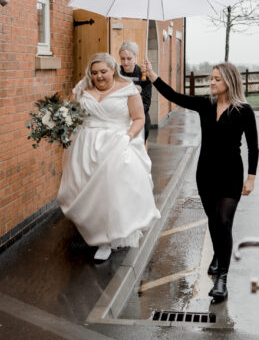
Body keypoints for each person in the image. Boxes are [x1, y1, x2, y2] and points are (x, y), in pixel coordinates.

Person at [142, 60, 258, 303]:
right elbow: (174, 95)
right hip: (205, 173)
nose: (211, 83)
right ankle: (219, 253)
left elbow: (253, 146)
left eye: (216, 79)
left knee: (224, 223)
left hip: (231, 175)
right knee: (214, 221)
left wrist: (251, 177)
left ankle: (221, 280)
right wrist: (153, 75)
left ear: (229, 81)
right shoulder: (205, 104)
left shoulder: (244, 111)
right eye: (210, 78)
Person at [57, 53, 160, 261]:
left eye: (103, 71)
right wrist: (59, 126)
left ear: (113, 69)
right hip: (84, 147)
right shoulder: (82, 90)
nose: (99, 76)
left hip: (116, 144)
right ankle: (91, 231)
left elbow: (139, 118)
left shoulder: (129, 91)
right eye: (94, 73)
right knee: (82, 190)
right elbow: (73, 116)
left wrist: (127, 136)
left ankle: (107, 240)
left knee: (109, 192)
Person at [119, 41, 152, 142]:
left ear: (136, 57)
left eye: (129, 59)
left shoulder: (144, 75)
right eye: (122, 59)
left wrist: (134, 116)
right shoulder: (116, 73)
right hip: (120, 117)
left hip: (139, 117)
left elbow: (146, 102)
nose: (125, 62)